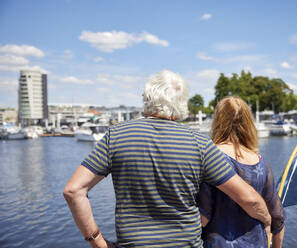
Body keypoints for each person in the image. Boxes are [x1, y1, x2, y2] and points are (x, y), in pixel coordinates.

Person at [63, 70, 271, 248]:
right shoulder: (199, 143)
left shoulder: (116, 135)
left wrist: (96, 240)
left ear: (147, 97)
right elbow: (247, 198)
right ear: (182, 103)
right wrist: (267, 217)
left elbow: (73, 191)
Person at [197, 96, 285, 248]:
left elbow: (202, 218)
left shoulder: (210, 157)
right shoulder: (261, 162)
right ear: (249, 123)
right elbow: (277, 218)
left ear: (217, 121)